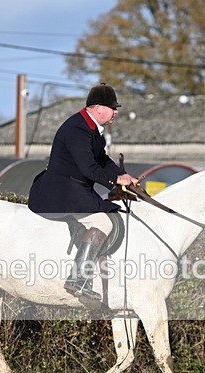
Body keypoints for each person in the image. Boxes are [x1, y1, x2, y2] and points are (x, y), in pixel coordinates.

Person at [28, 83, 138, 300]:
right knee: (103, 222)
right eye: (112, 108)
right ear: (98, 108)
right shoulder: (78, 129)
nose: (116, 112)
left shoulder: (92, 128)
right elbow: (89, 167)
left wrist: (124, 178)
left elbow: (102, 160)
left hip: (75, 187)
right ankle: (77, 279)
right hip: (61, 190)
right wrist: (115, 180)